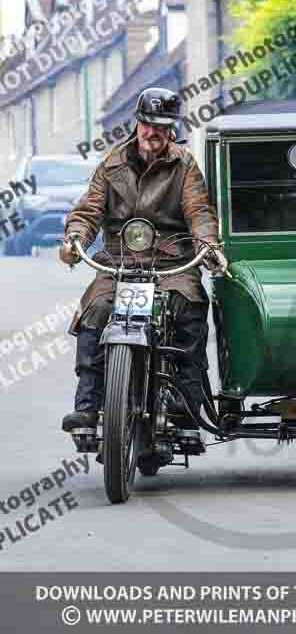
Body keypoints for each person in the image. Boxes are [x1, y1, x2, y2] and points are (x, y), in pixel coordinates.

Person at [59, 87, 227, 437]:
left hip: (170, 263)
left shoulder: (184, 165)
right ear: (137, 124)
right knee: (96, 308)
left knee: (189, 306)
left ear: (172, 129)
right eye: (148, 124)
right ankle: (88, 405)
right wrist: (75, 239)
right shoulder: (112, 165)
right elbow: (89, 210)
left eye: (162, 126)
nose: (154, 132)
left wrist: (208, 245)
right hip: (118, 259)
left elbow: (199, 211)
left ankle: (185, 405)